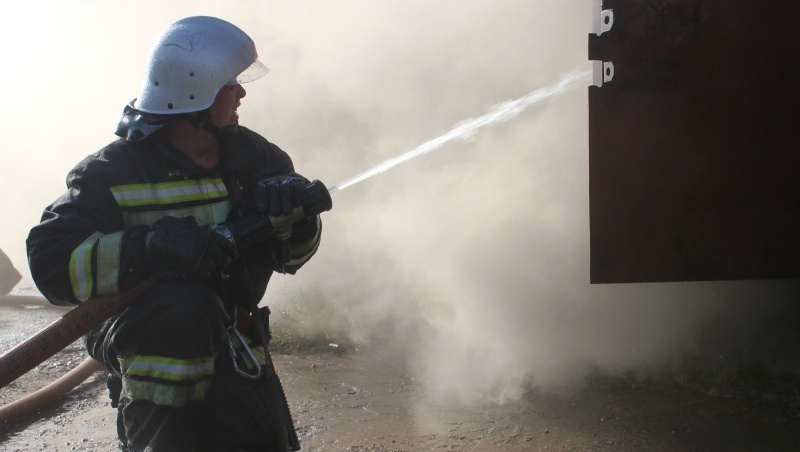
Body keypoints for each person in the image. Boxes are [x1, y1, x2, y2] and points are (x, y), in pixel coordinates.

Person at [26, 16, 329, 451]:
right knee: (183, 307)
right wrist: (150, 249)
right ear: (195, 94)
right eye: (230, 85)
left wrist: (298, 219)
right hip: (155, 353)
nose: (241, 93)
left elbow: (292, 258)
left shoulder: (257, 160)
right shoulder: (111, 174)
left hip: (237, 344)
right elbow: (51, 263)